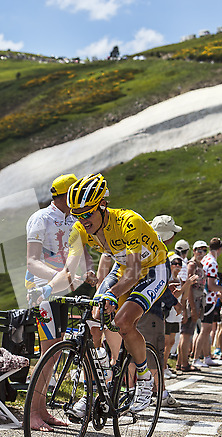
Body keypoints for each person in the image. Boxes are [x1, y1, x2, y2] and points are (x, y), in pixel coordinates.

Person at [39, 173, 169, 413]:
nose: (83, 219)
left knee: (123, 321)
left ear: (103, 205)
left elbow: (133, 274)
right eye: (77, 214)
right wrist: (47, 289)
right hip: (123, 268)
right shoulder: (80, 228)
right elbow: (70, 267)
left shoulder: (129, 221)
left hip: (152, 269)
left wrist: (111, 293)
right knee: (92, 322)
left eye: (88, 213)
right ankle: (97, 388)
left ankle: (144, 380)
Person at [25, 173, 96, 431]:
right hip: (40, 290)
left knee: (54, 350)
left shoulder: (74, 220)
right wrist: (60, 276)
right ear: (65, 195)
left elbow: (80, 253)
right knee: (47, 352)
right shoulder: (41, 218)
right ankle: (31, 413)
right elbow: (32, 261)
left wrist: (89, 271)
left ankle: (41, 410)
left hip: (63, 289)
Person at [192, 237, 222, 368]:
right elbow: (211, 285)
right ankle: (196, 358)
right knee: (205, 330)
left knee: (203, 329)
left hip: (202, 297)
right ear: (220, 249)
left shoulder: (205, 259)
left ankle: (206, 356)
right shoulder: (213, 262)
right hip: (209, 299)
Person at [177, 241, 207, 372]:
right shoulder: (192, 265)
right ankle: (184, 363)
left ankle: (180, 362)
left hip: (197, 301)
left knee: (188, 332)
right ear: (193, 251)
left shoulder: (200, 265)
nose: (201, 253)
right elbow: (188, 286)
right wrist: (193, 307)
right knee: (186, 333)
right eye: (199, 250)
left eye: (204, 250)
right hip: (192, 302)